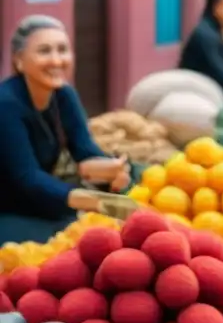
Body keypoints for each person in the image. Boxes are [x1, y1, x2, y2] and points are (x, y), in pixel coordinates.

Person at [0, 16, 130, 243]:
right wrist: (92, 200)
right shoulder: (6, 104)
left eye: (63, 50)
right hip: (8, 207)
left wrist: (113, 170)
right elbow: (27, 177)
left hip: (39, 201)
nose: (57, 60)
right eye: (44, 51)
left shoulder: (64, 95)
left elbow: (85, 150)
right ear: (19, 60)